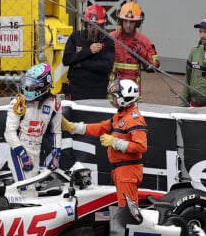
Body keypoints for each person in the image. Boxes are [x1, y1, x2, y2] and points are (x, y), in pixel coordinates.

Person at [61, 79, 147, 207]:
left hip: (128, 170)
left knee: (127, 209)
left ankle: (128, 227)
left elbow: (141, 146)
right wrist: (73, 128)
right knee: (124, 207)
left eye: (114, 97)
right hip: (121, 169)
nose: (112, 100)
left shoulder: (134, 119)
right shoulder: (120, 116)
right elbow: (100, 128)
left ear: (123, 98)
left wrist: (115, 142)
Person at [5, 63, 62, 196]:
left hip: (37, 149)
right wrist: (23, 154)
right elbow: (9, 132)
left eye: (33, 85)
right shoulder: (18, 103)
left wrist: (56, 156)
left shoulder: (55, 103)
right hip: (20, 150)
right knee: (27, 192)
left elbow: (56, 132)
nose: (28, 88)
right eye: (28, 83)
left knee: (31, 189)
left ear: (44, 86)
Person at [62, 4, 115, 100]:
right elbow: (66, 60)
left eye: (97, 26)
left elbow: (106, 67)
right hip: (76, 90)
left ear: (103, 25)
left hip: (97, 91)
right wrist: (88, 51)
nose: (93, 28)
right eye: (91, 25)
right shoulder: (76, 37)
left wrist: (81, 63)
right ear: (85, 24)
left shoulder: (108, 41)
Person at [109, 1, 160, 96]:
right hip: (114, 90)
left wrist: (143, 54)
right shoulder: (111, 38)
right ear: (121, 21)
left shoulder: (143, 41)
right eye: (125, 21)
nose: (128, 25)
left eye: (132, 22)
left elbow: (155, 66)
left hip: (132, 91)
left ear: (137, 22)